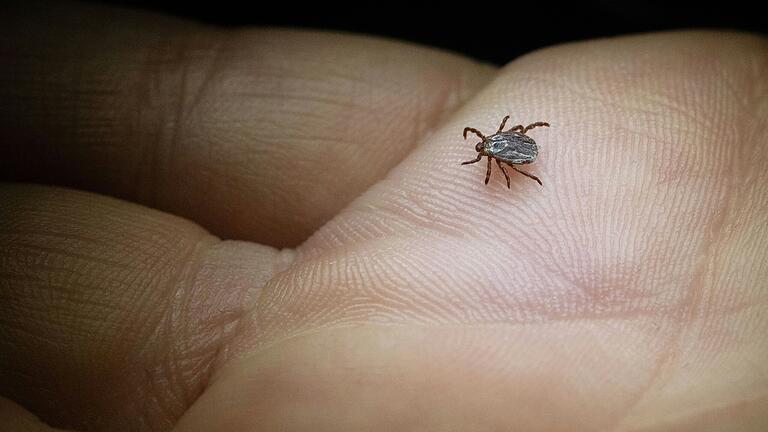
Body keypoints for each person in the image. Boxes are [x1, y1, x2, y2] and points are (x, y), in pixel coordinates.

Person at [1, 2, 767, 431]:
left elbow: (501, 153)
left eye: (499, 147)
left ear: (502, 145)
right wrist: (510, 153)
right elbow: (511, 148)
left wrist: (498, 157)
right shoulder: (510, 146)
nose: (498, 150)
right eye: (498, 147)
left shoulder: (500, 151)